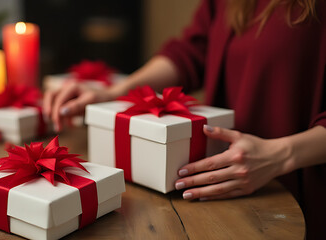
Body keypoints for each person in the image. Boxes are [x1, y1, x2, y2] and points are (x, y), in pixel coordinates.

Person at [43, 0, 326, 238]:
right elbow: (192, 52)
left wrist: (281, 155)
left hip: (294, 194)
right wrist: (114, 92)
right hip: (219, 188)